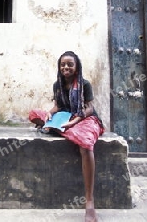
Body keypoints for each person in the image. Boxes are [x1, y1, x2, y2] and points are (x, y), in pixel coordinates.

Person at [29, 51, 105, 222]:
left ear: (77, 67)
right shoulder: (57, 84)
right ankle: (59, 127)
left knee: (85, 144)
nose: (66, 67)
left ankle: (89, 201)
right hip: (65, 117)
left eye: (70, 64)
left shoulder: (84, 84)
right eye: (63, 64)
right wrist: (49, 114)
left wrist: (75, 120)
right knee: (35, 114)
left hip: (84, 118)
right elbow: (57, 105)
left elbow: (90, 108)